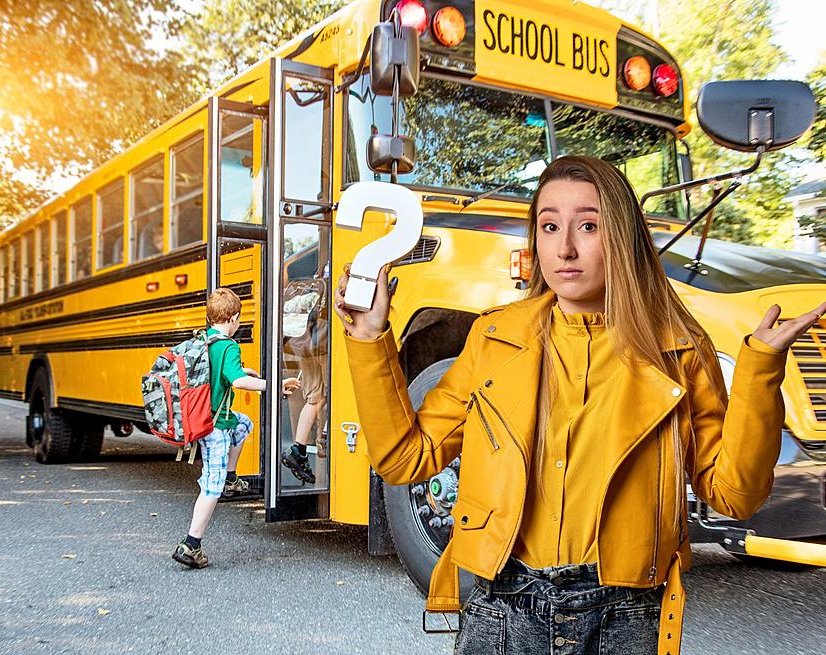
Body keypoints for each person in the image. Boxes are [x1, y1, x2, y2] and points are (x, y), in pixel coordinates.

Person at [334, 156, 825, 654]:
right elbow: (404, 459)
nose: (565, 247)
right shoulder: (494, 338)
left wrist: (761, 369)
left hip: (627, 617)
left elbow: (733, 497)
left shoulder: (678, 350)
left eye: (588, 226)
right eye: (549, 226)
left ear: (623, 238)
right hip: (504, 609)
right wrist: (371, 339)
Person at [173, 287, 300, 569]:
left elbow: (225, 372)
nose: (239, 323)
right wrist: (273, 385)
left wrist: (244, 371)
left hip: (209, 419)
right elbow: (238, 382)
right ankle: (190, 545)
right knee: (211, 487)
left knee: (243, 424)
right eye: (239, 318)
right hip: (214, 428)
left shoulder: (205, 340)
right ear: (232, 318)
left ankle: (231, 476)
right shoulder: (229, 345)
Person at [281, 278, 329, 483]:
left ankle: (298, 449)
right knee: (331, 394)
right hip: (325, 344)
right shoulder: (334, 278)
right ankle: (323, 439)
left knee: (314, 399)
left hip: (306, 346)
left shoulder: (311, 284)